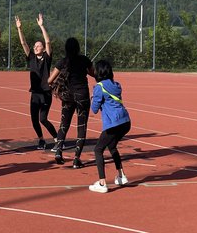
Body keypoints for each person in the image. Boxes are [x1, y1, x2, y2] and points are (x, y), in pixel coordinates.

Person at [48, 37, 94, 169]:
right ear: (78, 48)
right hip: (82, 95)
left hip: (67, 96)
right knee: (82, 126)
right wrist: (85, 70)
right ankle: (76, 158)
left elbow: (49, 80)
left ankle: (58, 151)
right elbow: (94, 74)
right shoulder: (84, 60)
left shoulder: (63, 62)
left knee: (64, 124)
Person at [15, 13, 58, 150]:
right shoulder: (31, 57)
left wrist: (41, 26)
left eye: (38, 46)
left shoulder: (47, 57)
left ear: (43, 48)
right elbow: (23, 43)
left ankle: (57, 139)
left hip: (45, 93)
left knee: (43, 119)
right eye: (34, 46)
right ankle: (41, 140)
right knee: (34, 120)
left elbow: (48, 42)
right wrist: (19, 29)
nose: (35, 47)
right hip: (35, 94)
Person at [88, 60, 131, 193]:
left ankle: (102, 183)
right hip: (125, 121)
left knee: (98, 149)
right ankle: (121, 175)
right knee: (112, 146)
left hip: (113, 123)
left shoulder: (99, 87)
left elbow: (94, 109)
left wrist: (93, 98)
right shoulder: (116, 85)